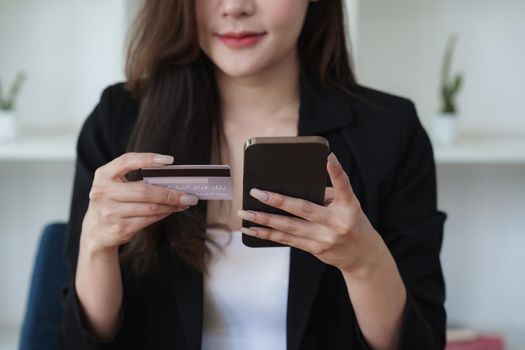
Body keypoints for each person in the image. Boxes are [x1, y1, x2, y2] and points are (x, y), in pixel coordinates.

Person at [60, 0, 447, 349]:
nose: (234, 7)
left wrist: (364, 261)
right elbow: (80, 341)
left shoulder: (390, 132)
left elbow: (419, 342)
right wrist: (96, 246)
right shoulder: (118, 120)